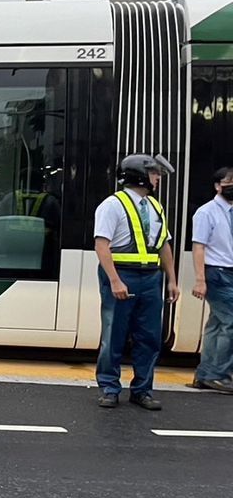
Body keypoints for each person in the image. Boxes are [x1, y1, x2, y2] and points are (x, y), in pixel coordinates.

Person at [92, 154, 180, 410]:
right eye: (154, 173)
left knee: (150, 337)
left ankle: (142, 390)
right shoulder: (112, 205)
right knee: (114, 334)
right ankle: (109, 388)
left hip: (151, 278)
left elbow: (164, 245)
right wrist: (115, 281)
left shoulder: (155, 207)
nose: (158, 178)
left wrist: (172, 280)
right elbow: (101, 245)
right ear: (139, 175)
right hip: (123, 275)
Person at [190, 167, 233, 393]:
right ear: (218, 185)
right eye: (229, 182)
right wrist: (200, 280)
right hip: (216, 272)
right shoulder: (206, 212)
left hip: (230, 273)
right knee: (230, 321)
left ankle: (205, 374)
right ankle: (218, 374)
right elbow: (199, 246)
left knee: (217, 324)